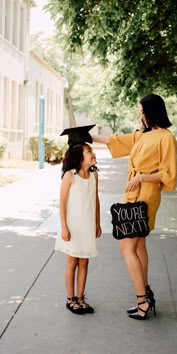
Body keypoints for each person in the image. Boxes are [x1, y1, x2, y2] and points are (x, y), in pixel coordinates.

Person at [92, 93, 177, 320]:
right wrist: (86, 136)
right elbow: (116, 141)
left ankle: (142, 301)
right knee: (138, 246)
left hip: (147, 195)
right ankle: (145, 296)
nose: (140, 115)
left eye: (142, 111)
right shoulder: (143, 136)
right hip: (132, 193)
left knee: (126, 247)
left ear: (153, 112)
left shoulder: (166, 138)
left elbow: (168, 174)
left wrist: (141, 178)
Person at [55, 126, 102, 314]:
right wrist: (64, 228)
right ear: (79, 156)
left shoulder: (94, 175)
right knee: (72, 261)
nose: (93, 154)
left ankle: (81, 297)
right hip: (73, 227)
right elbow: (62, 203)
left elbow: (96, 200)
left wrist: (97, 223)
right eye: (89, 151)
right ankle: (70, 298)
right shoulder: (70, 176)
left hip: (88, 226)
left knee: (85, 262)